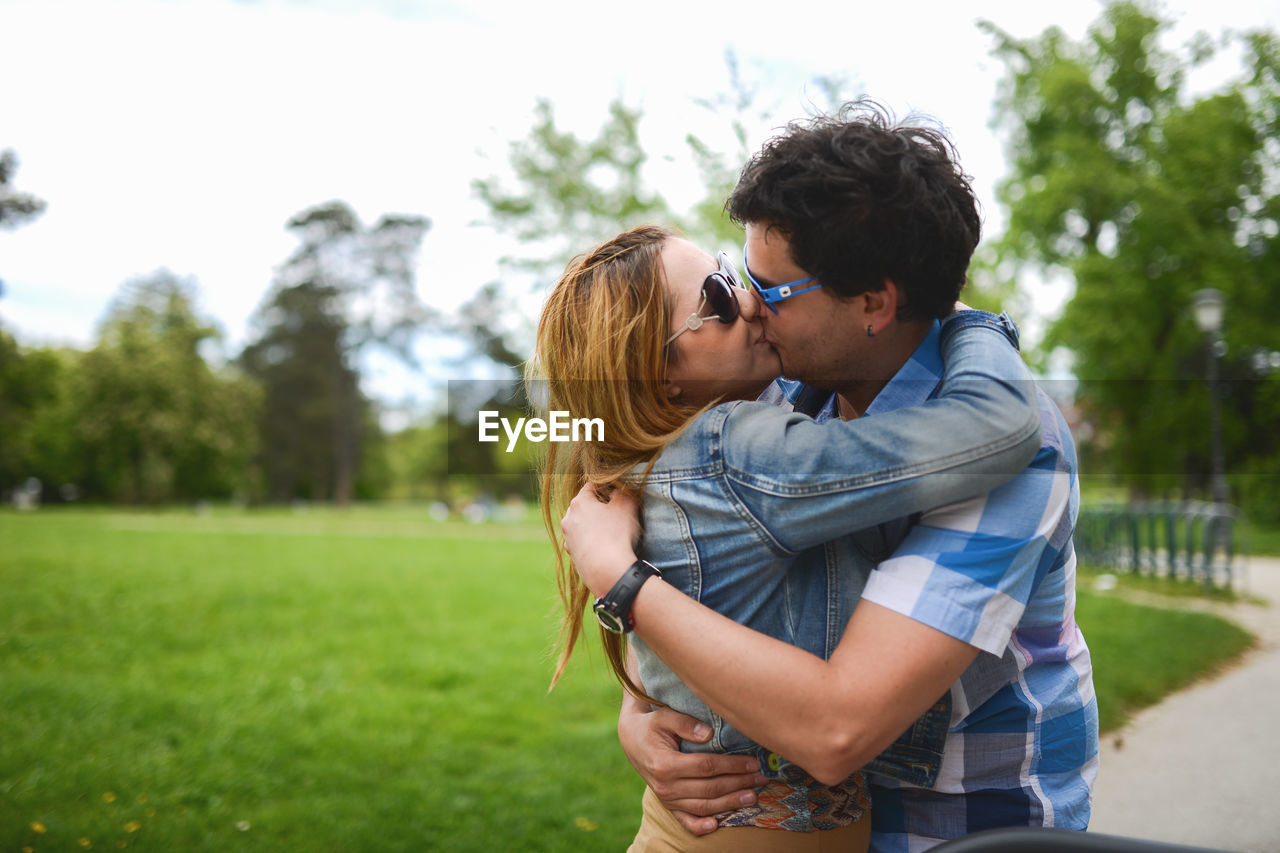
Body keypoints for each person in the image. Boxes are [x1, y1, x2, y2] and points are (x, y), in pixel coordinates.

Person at [561, 101, 1098, 852]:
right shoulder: (782, 390)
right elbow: (711, 570)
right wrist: (648, 710)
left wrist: (621, 585)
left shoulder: (1013, 453)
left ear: (875, 302)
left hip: (956, 829)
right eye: (731, 278)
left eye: (766, 288)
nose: (749, 301)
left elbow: (837, 726)